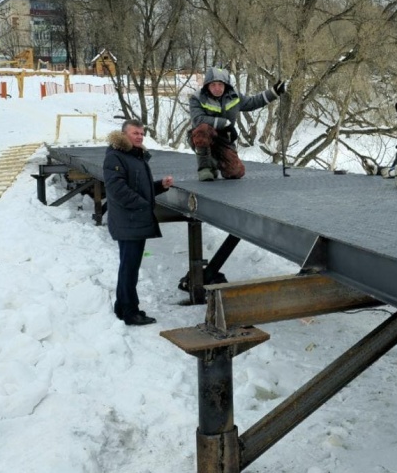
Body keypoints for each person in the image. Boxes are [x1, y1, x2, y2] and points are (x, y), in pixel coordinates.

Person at [103, 119, 174, 326]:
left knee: (129, 266)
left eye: (142, 134)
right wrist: (143, 205)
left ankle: (122, 307)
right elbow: (118, 190)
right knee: (129, 268)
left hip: (133, 220)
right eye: (135, 133)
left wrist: (160, 185)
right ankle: (130, 312)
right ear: (124, 134)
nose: (140, 137)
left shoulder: (135, 156)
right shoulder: (115, 157)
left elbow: (138, 187)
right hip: (128, 221)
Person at [188, 65, 285, 181]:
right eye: (213, 85)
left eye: (220, 84)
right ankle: (205, 169)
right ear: (207, 85)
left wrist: (274, 92)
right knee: (203, 129)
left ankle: (214, 162)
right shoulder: (197, 98)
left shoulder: (234, 96)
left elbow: (253, 102)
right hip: (201, 136)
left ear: (226, 85)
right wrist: (225, 124)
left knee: (236, 172)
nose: (217, 88)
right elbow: (198, 119)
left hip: (224, 140)